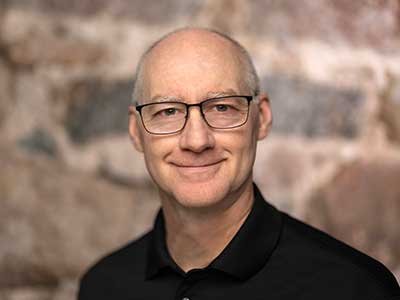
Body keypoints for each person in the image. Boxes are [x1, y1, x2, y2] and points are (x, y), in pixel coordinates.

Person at [78, 28, 400, 300]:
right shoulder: (103, 286)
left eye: (221, 108)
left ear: (262, 119)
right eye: (168, 112)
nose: (196, 140)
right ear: (136, 131)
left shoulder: (354, 289)